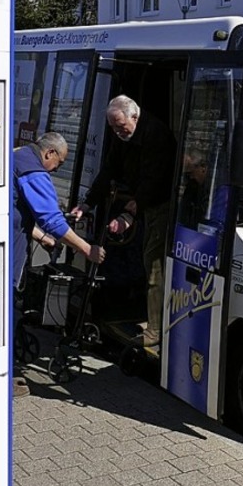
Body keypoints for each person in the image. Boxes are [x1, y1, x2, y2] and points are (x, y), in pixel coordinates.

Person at [72, 96, 176, 348]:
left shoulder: (156, 135)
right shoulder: (124, 137)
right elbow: (108, 170)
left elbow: (155, 180)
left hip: (160, 205)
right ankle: (148, 317)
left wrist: (130, 215)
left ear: (135, 117)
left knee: (154, 267)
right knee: (146, 260)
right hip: (144, 202)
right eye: (113, 128)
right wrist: (87, 203)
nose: (117, 132)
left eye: (120, 126)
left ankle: (154, 332)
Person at [13, 131, 105, 290]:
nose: (56, 170)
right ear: (49, 153)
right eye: (59, 163)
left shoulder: (18, 155)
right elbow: (53, 221)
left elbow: (13, 214)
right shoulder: (33, 172)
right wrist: (88, 250)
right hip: (7, 255)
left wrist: (42, 237)